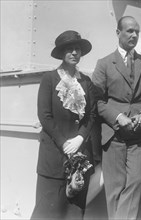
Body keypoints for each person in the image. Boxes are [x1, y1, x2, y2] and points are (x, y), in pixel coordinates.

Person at [92, 16, 141, 220]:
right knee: (114, 190)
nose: (134, 35)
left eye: (137, 32)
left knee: (134, 185)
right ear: (118, 33)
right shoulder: (104, 64)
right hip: (114, 136)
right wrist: (118, 117)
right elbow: (96, 101)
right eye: (129, 31)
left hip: (140, 138)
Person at [31, 30, 96, 219]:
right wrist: (64, 144)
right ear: (61, 53)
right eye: (69, 49)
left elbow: (91, 115)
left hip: (79, 156)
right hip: (53, 156)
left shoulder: (86, 81)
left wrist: (80, 138)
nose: (75, 53)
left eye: (77, 49)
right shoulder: (49, 79)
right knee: (48, 210)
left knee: (74, 211)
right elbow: (45, 115)